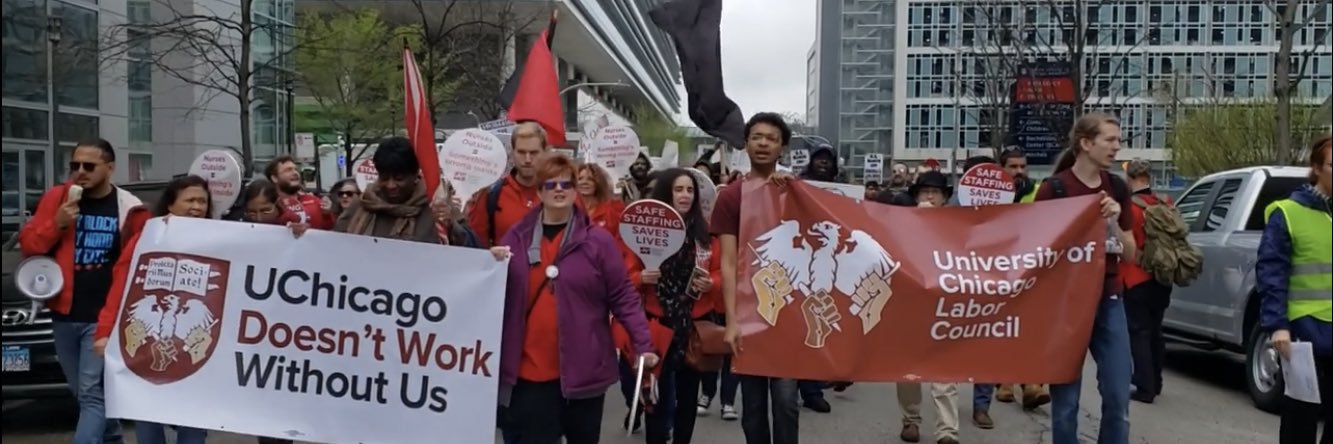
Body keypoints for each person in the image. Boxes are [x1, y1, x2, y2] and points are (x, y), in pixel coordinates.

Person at [490, 153, 660, 443]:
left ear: (574, 191)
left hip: (585, 368)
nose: (559, 190)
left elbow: (622, 296)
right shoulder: (514, 238)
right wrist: (490, 265)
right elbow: (492, 295)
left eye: (566, 184)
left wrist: (643, 344)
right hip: (531, 372)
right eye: (551, 184)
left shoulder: (598, 241)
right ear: (540, 190)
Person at [18, 138, 149, 444]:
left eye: (88, 166)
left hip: (103, 317)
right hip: (64, 313)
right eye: (74, 165)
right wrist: (57, 223)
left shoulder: (128, 207)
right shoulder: (57, 198)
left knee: (91, 392)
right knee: (85, 394)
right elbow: (29, 247)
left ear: (110, 168)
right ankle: (113, 438)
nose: (80, 172)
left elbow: (143, 256)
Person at [1035, 112, 1137, 444]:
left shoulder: (1118, 188)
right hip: (1066, 303)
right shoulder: (1055, 188)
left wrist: (1114, 222)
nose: (1116, 147)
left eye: (1118, 140)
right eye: (1110, 140)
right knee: (1066, 403)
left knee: (1119, 396)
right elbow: (1036, 252)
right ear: (1086, 143)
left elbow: (1131, 254)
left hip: (1109, 298)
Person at [92, 175, 213, 444]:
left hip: (192, 349)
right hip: (148, 345)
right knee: (146, 414)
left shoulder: (222, 239)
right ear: (170, 205)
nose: (197, 206)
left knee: (193, 422)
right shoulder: (146, 238)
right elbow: (121, 288)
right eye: (190, 200)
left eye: (202, 201)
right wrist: (104, 331)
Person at [617, 168, 721, 444]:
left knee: (687, 400)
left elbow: (723, 272)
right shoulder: (643, 232)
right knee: (656, 399)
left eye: (690, 190)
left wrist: (712, 283)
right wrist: (641, 277)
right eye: (678, 190)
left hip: (693, 325)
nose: (685, 195)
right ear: (666, 193)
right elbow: (623, 278)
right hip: (657, 324)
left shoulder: (706, 234)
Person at [714, 112, 801, 444]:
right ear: (746, 143)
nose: (763, 143)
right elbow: (727, 262)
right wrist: (732, 321)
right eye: (757, 137)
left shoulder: (796, 192)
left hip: (789, 316)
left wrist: (790, 192)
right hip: (749, 314)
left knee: (785, 402)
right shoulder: (732, 196)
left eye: (772, 139)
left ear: (782, 148)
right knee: (752, 409)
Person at [1257, 134, 1331, 444]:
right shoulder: (1287, 212)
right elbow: (1271, 272)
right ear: (1316, 167)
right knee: (1301, 416)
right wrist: (1278, 327)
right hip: (1305, 330)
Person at [895, 170, 961, 444]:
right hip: (911, 306)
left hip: (944, 305)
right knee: (908, 369)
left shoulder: (959, 226)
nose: (930, 196)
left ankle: (947, 430)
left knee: (945, 370)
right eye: (925, 192)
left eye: (935, 192)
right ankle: (910, 420)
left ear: (945, 198)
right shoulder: (900, 224)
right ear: (916, 197)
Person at [335, 137, 478, 247]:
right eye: (384, 178)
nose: (391, 185)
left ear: (415, 175)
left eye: (399, 179)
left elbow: (474, 251)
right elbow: (333, 245)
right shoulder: (361, 206)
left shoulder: (438, 208)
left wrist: (452, 226)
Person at [792, 142, 842, 413]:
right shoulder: (798, 186)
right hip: (802, 258)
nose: (823, 163)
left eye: (828, 159)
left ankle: (816, 385)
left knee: (822, 324)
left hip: (832, 263)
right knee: (801, 323)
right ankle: (798, 387)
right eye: (818, 159)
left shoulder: (844, 192)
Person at [1120, 159, 1175, 404]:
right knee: (1156, 331)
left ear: (1130, 179)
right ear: (1149, 177)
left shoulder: (1129, 208)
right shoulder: (1166, 203)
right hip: (1163, 276)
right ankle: (1157, 380)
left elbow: (1125, 243)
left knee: (1139, 332)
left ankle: (1144, 386)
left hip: (1135, 276)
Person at [468, 121, 548, 247]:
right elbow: (476, 246)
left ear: (544, 153)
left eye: (533, 153)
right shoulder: (491, 194)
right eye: (521, 152)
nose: (527, 159)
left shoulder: (561, 193)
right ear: (512, 152)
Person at [264, 155, 333, 229]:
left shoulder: (314, 200)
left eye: (296, 169)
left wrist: (327, 214)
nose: (295, 173)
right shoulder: (268, 205)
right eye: (288, 170)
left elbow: (329, 229)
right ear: (274, 178)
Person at [575, 162, 625, 236]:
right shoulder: (567, 210)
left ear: (599, 183)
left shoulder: (612, 210)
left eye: (590, 179)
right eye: (580, 179)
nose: (584, 182)